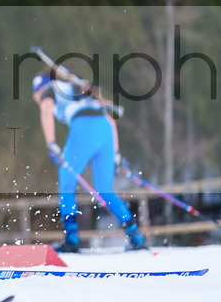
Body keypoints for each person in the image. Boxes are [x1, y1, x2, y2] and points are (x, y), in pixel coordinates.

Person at [32, 65, 148, 252]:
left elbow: (46, 113)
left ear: (39, 88)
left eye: (34, 94)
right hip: (105, 132)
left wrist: (51, 143)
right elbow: (110, 121)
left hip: (84, 128)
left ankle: (72, 239)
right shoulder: (79, 91)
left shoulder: (49, 90)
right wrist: (116, 154)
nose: (35, 99)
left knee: (67, 183)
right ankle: (136, 237)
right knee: (105, 191)